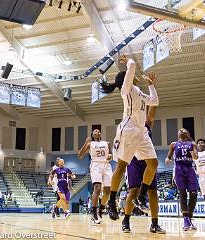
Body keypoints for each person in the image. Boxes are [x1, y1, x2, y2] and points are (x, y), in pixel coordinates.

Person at [102, 55, 159, 221]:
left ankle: (141, 196)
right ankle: (111, 201)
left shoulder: (138, 92)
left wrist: (151, 86)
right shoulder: (126, 89)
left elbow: (154, 101)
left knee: (153, 164)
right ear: (126, 78)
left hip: (141, 132)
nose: (133, 75)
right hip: (128, 130)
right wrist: (127, 60)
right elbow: (133, 65)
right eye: (129, 74)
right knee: (121, 165)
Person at [122, 105, 165, 234]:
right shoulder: (129, 124)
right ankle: (126, 220)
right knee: (133, 191)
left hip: (148, 161)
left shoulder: (146, 124)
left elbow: (152, 111)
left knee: (153, 192)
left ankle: (154, 224)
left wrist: (151, 95)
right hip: (133, 161)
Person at [165, 128, 198, 231]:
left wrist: (194, 155)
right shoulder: (173, 144)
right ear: (178, 134)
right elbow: (169, 156)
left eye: (184, 129)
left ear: (187, 133)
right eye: (180, 129)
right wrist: (167, 159)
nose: (181, 130)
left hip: (190, 169)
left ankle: (189, 217)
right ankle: (186, 220)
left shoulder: (192, 143)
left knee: (194, 193)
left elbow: (196, 157)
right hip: (179, 169)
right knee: (182, 193)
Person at [78, 129, 113, 224]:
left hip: (106, 165)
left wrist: (110, 156)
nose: (97, 131)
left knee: (107, 191)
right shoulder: (90, 144)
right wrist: (85, 143)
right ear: (92, 135)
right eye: (95, 131)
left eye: (98, 131)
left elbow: (110, 155)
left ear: (100, 134)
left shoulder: (107, 143)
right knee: (97, 188)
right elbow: (80, 155)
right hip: (96, 165)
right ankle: (94, 213)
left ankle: (101, 210)